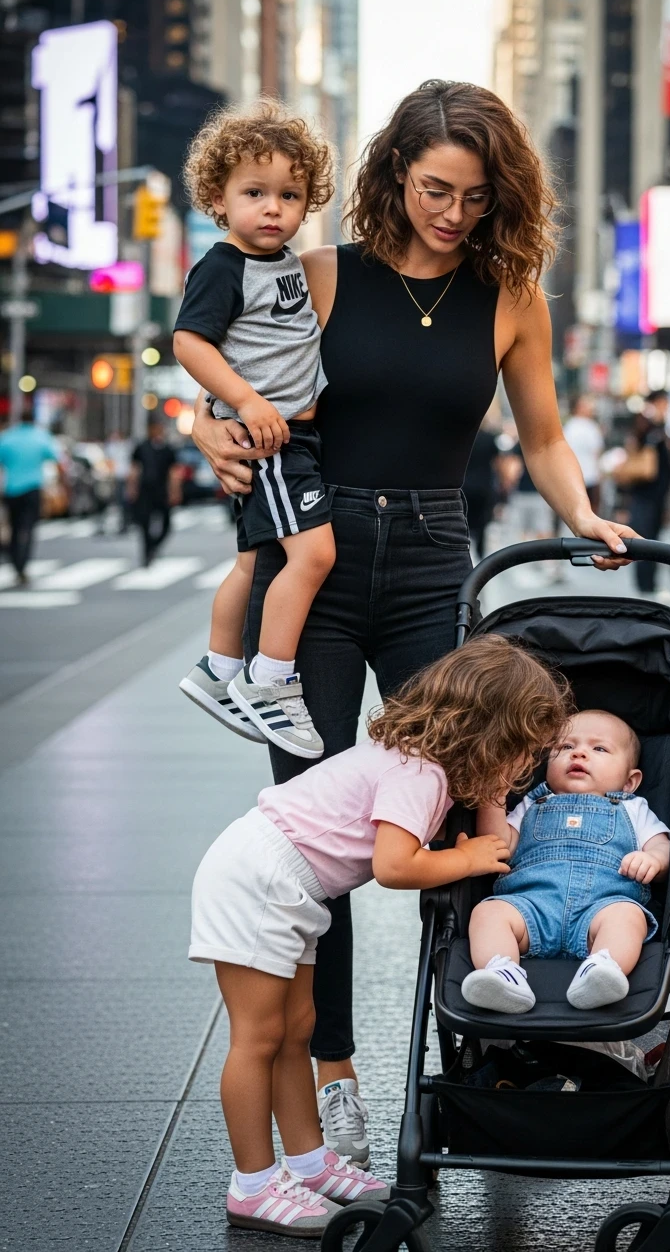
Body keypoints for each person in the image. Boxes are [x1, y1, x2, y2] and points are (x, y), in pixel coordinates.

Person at [191, 79, 636, 1163]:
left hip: (436, 554)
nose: (451, 212)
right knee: (312, 826)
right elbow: (240, 390)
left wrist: (578, 510)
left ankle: (482, 1034)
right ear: (392, 173)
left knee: (471, 799)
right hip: (322, 559)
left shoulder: (508, 291)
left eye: (475, 197)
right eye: (434, 188)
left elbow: (540, 435)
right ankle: (332, 1067)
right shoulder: (319, 274)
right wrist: (209, 429)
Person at [189, 635, 569, 1236]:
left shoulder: (416, 759)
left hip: (294, 886)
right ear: (489, 736)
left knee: (297, 1031)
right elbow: (396, 866)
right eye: (519, 752)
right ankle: (253, 1184)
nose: (523, 769)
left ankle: (310, 1162)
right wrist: (465, 860)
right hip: (260, 879)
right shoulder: (419, 776)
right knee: (258, 1037)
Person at [174, 100, 336, 755]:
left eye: (290, 195)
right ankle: (270, 680)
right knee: (314, 554)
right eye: (254, 192)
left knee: (255, 560)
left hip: (290, 437)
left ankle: (218, 669)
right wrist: (243, 403)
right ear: (218, 197)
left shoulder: (289, 262)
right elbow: (190, 342)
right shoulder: (223, 267)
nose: (273, 208)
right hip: (273, 442)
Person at [462, 709, 670, 1014]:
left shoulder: (634, 809)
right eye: (565, 747)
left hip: (601, 907)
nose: (580, 753)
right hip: (529, 905)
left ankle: (602, 968)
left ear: (630, 781)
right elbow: (498, 845)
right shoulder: (533, 803)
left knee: (628, 917)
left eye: (598, 749)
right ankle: (503, 973)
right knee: (487, 912)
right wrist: (492, 796)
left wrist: (652, 860)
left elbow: (661, 847)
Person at [617, 392, 670, 597]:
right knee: (646, 540)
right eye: (664, 403)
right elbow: (649, 468)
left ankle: (648, 584)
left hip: (653, 497)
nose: (666, 408)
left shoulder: (652, 431)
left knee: (650, 539)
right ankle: (646, 585)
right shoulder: (653, 432)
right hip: (648, 497)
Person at [0, 406, 61, 585]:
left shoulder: (8, 437)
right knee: (28, 528)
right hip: (32, 489)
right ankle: (22, 563)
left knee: (14, 527)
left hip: (11, 489)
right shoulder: (40, 437)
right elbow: (56, 458)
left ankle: (16, 562)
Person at [128, 418, 181, 567]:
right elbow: (134, 469)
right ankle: (147, 553)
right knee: (144, 524)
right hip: (145, 491)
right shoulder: (141, 447)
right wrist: (132, 489)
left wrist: (175, 491)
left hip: (162, 491)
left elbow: (174, 472)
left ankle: (154, 546)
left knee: (166, 524)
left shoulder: (168, 449)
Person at [462, 418, 501, 559]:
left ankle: (466, 552)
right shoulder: (490, 438)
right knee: (483, 523)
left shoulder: (463, 438)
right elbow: (497, 463)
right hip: (484, 486)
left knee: (464, 521)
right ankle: (480, 555)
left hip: (464, 486)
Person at [563, 395, 604, 515]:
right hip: (586, 478)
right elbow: (597, 453)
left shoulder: (569, 427)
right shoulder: (590, 427)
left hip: (577, 478)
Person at [102, 431, 133, 534]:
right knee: (117, 502)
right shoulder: (112, 448)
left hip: (124, 478)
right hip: (116, 478)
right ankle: (120, 524)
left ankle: (125, 523)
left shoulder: (125, 447)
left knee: (124, 502)